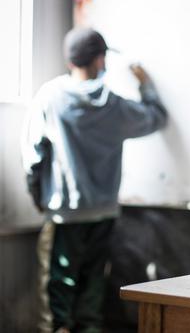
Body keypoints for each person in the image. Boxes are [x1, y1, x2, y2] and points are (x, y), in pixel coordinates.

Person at [22, 27, 168, 333]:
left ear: (71, 61)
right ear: (99, 59)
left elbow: (34, 157)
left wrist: (39, 197)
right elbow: (155, 117)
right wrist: (147, 85)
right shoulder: (114, 105)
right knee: (93, 287)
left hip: (65, 214)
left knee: (57, 291)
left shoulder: (50, 97)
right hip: (103, 213)